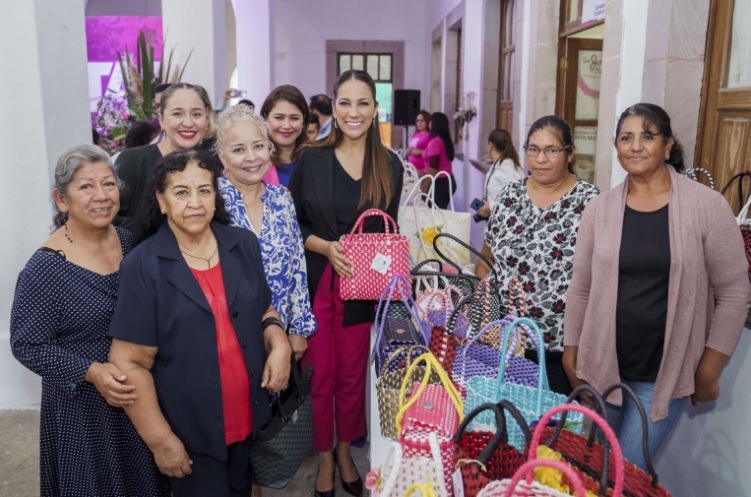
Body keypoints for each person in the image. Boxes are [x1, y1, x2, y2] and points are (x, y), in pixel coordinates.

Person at [563, 103, 751, 470]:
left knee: (627, 475)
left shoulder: (706, 207)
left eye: (647, 137)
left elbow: (734, 292)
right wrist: (572, 350)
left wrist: (708, 370)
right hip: (602, 369)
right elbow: (581, 288)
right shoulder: (598, 210)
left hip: (661, 376)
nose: (635, 146)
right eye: (626, 138)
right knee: (593, 473)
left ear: (667, 146)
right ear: (616, 148)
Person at [108, 150, 292, 497]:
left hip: (251, 421)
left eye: (204, 190)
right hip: (191, 437)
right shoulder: (144, 266)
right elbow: (128, 364)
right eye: (181, 192)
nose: (195, 202)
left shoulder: (242, 245)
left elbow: (265, 309)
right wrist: (161, 440)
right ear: (161, 201)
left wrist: (279, 342)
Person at [10, 144, 170, 497]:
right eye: (86, 187)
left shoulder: (129, 243)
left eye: (108, 184)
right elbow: (27, 344)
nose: (101, 196)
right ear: (61, 199)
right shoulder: (45, 268)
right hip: (83, 412)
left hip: (137, 396)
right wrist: (90, 372)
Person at [289, 69, 403, 497]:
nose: (353, 112)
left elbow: (386, 231)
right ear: (333, 107)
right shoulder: (310, 159)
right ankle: (322, 459)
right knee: (320, 376)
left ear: (375, 110)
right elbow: (293, 225)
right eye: (345, 103)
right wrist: (322, 245)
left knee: (353, 378)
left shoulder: (389, 165)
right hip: (319, 282)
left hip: (363, 288)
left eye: (363, 103)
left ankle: (342, 451)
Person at [475, 115, 599, 395]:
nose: (541, 158)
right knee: (503, 431)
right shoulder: (509, 196)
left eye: (551, 150)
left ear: (570, 154)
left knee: (551, 433)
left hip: (561, 355)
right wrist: (489, 318)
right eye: (533, 149)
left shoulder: (590, 203)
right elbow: (485, 262)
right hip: (505, 347)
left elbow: (601, 280)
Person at [216, 103, 316, 360]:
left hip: (279, 336)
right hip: (224, 337)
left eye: (258, 146)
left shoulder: (281, 199)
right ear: (222, 156)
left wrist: (298, 327)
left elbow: (297, 267)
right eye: (239, 149)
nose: (252, 157)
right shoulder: (209, 202)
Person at [115, 83, 215, 240]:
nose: (188, 123)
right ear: (161, 119)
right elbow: (111, 217)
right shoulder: (134, 161)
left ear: (206, 119)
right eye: (177, 114)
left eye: (196, 114)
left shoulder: (215, 165)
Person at [259, 85, 310, 187]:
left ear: (303, 120)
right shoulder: (255, 162)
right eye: (279, 118)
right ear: (266, 118)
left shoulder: (317, 160)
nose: (286, 126)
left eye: (294, 118)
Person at [476, 128, 525, 220]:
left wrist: (491, 206)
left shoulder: (508, 169)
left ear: (490, 145)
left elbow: (518, 198)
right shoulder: (497, 166)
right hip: (495, 223)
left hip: (506, 226)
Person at [422, 112, 457, 208]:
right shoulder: (444, 140)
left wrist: (425, 185)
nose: (429, 124)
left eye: (430, 122)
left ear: (434, 124)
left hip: (438, 183)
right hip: (447, 181)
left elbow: (433, 168)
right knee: (439, 213)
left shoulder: (435, 142)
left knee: (433, 215)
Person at [405, 110, 431, 176]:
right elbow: (409, 149)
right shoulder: (415, 134)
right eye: (417, 121)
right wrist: (407, 151)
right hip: (411, 171)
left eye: (422, 120)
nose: (419, 123)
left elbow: (432, 153)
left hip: (422, 172)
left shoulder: (429, 135)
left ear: (427, 121)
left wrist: (421, 152)